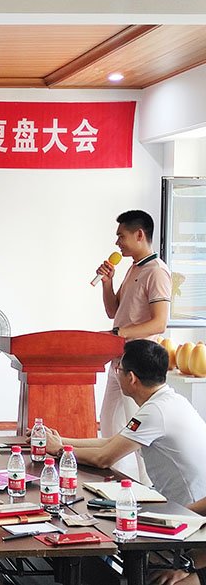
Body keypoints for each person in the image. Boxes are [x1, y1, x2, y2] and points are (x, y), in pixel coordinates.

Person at [46, 339, 206, 507]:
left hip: (188, 511)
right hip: (182, 502)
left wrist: (59, 450)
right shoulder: (171, 400)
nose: (117, 374)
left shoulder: (155, 412)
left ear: (131, 378)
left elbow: (103, 458)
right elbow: (112, 442)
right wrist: (60, 441)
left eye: (119, 369)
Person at [95, 210, 171, 477]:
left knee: (137, 429)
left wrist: (120, 333)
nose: (117, 242)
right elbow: (112, 311)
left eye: (121, 236)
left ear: (139, 235)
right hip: (120, 358)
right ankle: (115, 479)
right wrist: (107, 283)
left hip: (138, 362)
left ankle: (146, 487)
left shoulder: (157, 271)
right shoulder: (134, 268)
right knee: (108, 422)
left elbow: (159, 323)